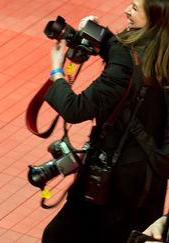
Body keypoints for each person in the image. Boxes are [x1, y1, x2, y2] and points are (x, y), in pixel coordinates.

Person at [41, 0, 169, 242]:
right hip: (150, 179)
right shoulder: (161, 51)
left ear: (153, 19)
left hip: (113, 177)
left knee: (58, 237)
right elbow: (130, 59)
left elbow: (75, 109)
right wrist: (103, 38)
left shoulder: (125, 58)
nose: (126, 11)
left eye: (134, 8)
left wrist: (57, 71)